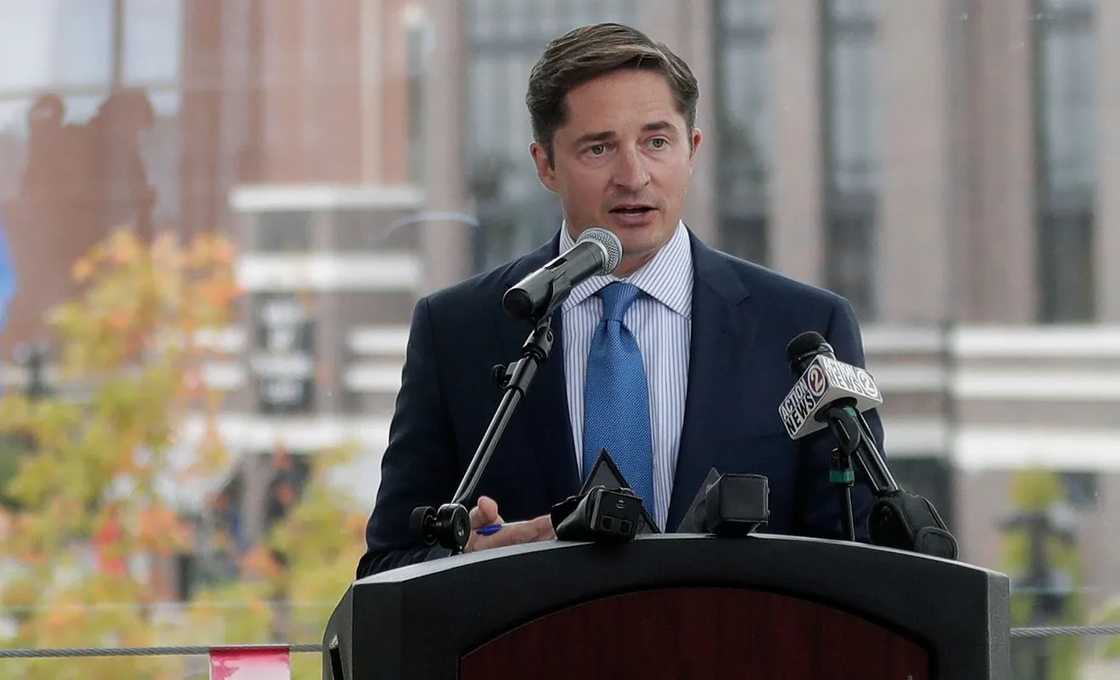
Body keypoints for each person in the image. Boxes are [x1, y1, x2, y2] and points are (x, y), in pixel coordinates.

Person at [357, 23, 883, 578]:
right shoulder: (458, 330)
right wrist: (467, 563)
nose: (633, 176)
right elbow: (386, 568)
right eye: (598, 148)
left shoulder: (803, 329)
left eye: (657, 142)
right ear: (545, 165)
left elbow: (859, 562)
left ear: (692, 149)